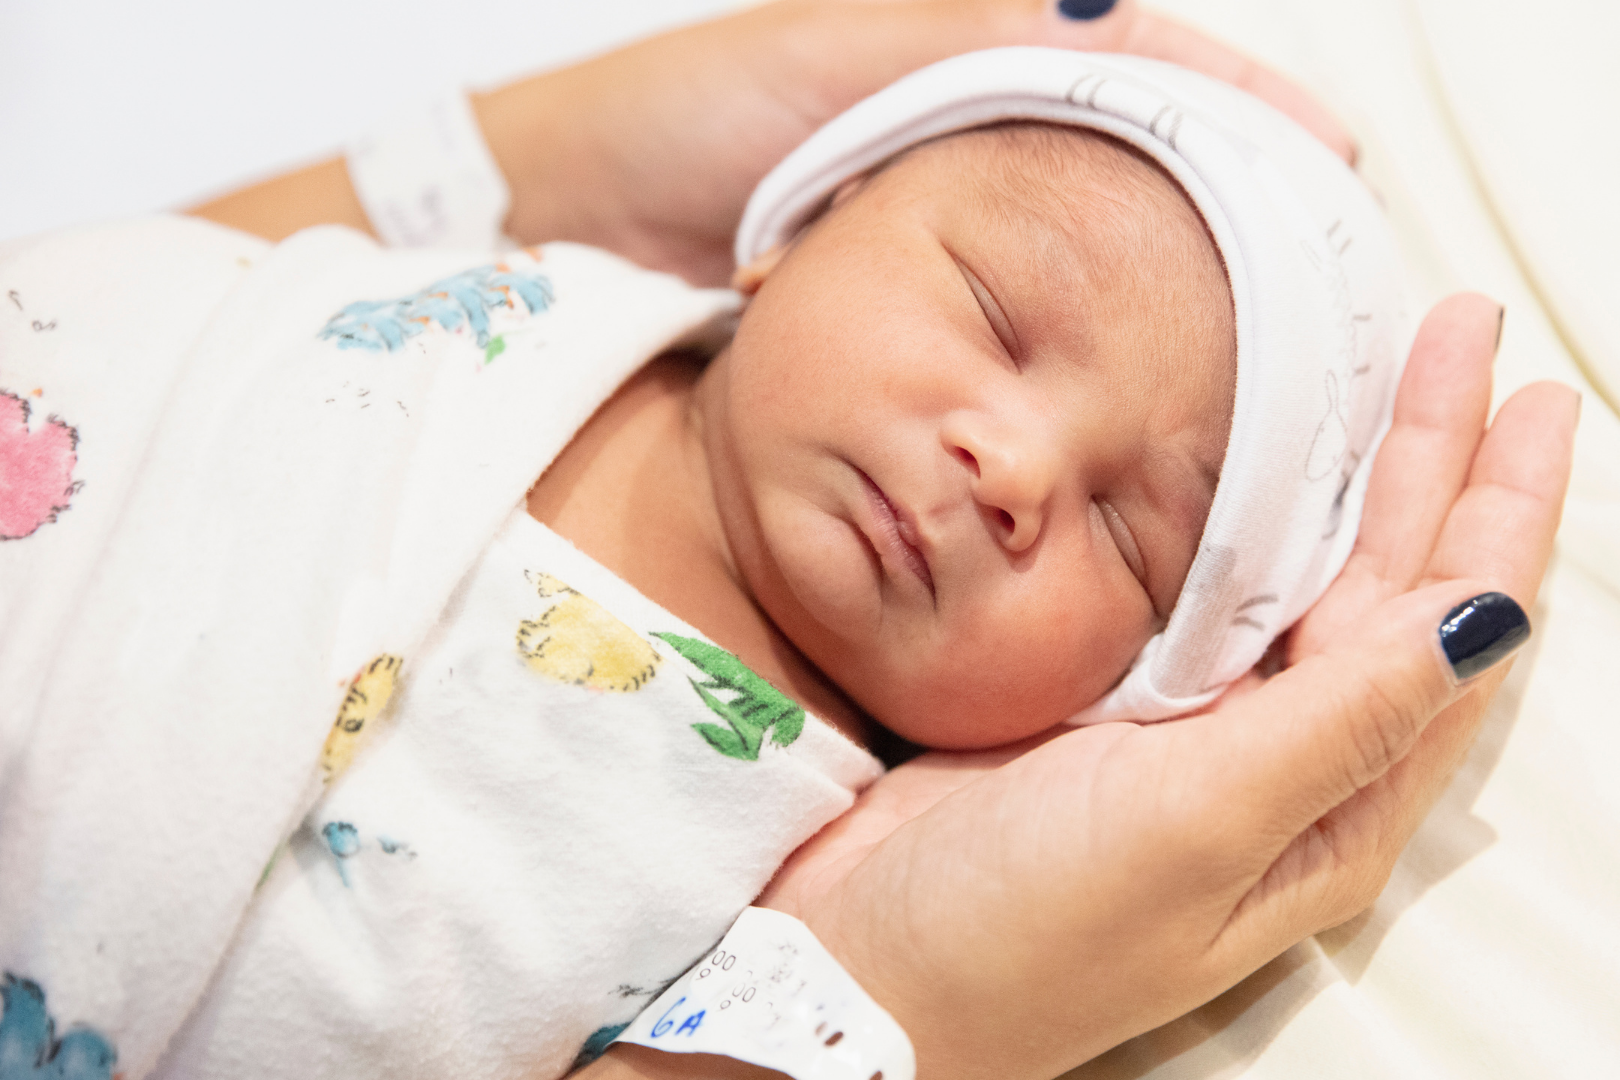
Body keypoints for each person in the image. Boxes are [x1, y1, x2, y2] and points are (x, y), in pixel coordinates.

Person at [0, 3, 1577, 1080]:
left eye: (1132, 536)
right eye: (995, 310)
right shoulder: (523, 294)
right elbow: (146, 327)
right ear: (794, 230)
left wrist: (851, 994)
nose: (1014, 462)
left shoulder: (810, 884)